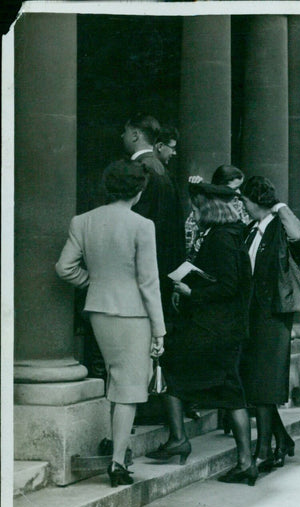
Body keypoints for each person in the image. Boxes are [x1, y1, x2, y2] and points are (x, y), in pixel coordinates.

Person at [56, 160, 165, 487]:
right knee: (129, 387)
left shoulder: (83, 220)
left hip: (99, 309)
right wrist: (159, 328)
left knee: (116, 379)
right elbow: (149, 282)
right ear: (139, 190)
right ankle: (117, 461)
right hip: (132, 313)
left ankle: (112, 445)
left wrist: (92, 281)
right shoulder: (142, 225)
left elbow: (64, 267)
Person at [147, 180, 256, 485]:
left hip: (214, 330)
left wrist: (190, 290)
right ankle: (245, 461)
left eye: (196, 208)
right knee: (232, 394)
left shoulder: (220, 239)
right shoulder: (232, 236)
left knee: (168, 364)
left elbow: (227, 286)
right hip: (227, 331)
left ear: (209, 208)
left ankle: (180, 440)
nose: (193, 214)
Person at [239, 176, 300, 472]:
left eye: (245, 201)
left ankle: (264, 449)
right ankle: (281, 441)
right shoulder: (249, 231)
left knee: (264, 381)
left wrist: (278, 205)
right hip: (252, 314)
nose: (242, 206)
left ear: (257, 202)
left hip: (274, 315)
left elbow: (299, 235)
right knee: (256, 381)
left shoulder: (280, 228)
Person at [122, 114, 185, 321]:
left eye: (125, 132)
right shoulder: (162, 172)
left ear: (135, 135)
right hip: (159, 269)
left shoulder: (140, 169)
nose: (122, 136)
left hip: (138, 272)